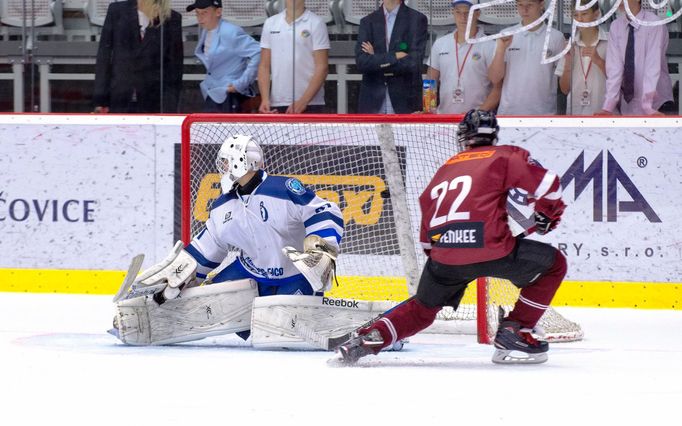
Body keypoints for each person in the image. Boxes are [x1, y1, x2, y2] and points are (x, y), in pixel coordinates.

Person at [335, 109, 567, 365]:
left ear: (463, 137)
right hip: (493, 249)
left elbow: (426, 231)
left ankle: (366, 340)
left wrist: (445, 257)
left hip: (443, 257)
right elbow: (549, 184)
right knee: (554, 265)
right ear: (493, 135)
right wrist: (547, 213)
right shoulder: (505, 156)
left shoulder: (446, 168)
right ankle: (517, 329)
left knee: (422, 309)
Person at [111, 134, 346, 346]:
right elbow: (207, 248)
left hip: (294, 275)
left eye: (225, 161)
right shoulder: (223, 206)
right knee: (204, 307)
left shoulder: (281, 189)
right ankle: (148, 317)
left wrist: (321, 247)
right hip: (250, 273)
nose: (223, 167)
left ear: (239, 161)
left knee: (282, 337)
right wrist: (177, 277)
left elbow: (324, 211)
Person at [93, 0, 183, 113]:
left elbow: (174, 69)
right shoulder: (117, 11)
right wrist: (100, 100)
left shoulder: (171, 18)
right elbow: (104, 57)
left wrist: (170, 109)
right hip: (118, 97)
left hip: (153, 102)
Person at [595, 0, 673, 116]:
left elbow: (652, 65)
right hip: (629, 105)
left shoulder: (654, 23)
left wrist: (647, 105)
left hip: (657, 104)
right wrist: (608, 106)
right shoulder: (616, 27)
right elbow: (614, 69)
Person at [488, 0, 566, 115]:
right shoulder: (506, 34)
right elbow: (494, 78)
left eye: (529, 5)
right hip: (509, 113)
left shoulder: (557, 37)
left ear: (541, 5)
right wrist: (500, 50)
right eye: (520, 5)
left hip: (544, 113)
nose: (524, 9)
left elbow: (563, 83)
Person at [426, 0, 501, 114]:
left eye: (468, 12)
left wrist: (476, 114)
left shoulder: (490, 45)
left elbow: (497, 88)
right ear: (453, 12)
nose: (463, 17)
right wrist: (428, 110)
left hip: (477, 120)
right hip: (445, 117)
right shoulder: (440, 43)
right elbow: (430, 81)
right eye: (458, 12)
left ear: (478, 13)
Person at [355, 0, 428, 114]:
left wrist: (376, 58)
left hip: (405, 101)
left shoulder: (417, 19)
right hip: (372, 102)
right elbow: (362, 62)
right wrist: (395, 56)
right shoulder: (367, 21)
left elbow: (413, 62)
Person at [188, 0, 261, 113]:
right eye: (197, 13)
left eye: (204, 13)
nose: (199, 17)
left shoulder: (230, 32)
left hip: (229, 95)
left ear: (218, 12)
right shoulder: (206, 31)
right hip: (213, 93)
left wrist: (240, 84)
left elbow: (258, 52)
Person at [257, 0, 330, 113]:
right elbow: (264, 66)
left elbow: (322, 67)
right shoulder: (270, 23)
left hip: (310, 104)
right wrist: (265, 99)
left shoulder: (316, 23)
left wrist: (303, 101)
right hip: (277, 102)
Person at [556, 0, 608, 115]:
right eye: (576, 15)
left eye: (584, 14)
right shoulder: (570, 45)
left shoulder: (610, 42)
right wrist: (568, 64)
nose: (579, 20)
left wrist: (599, 62)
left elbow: (621, 84)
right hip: (575, 115)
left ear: (596, 14)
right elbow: (564, 89)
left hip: (604, 115)